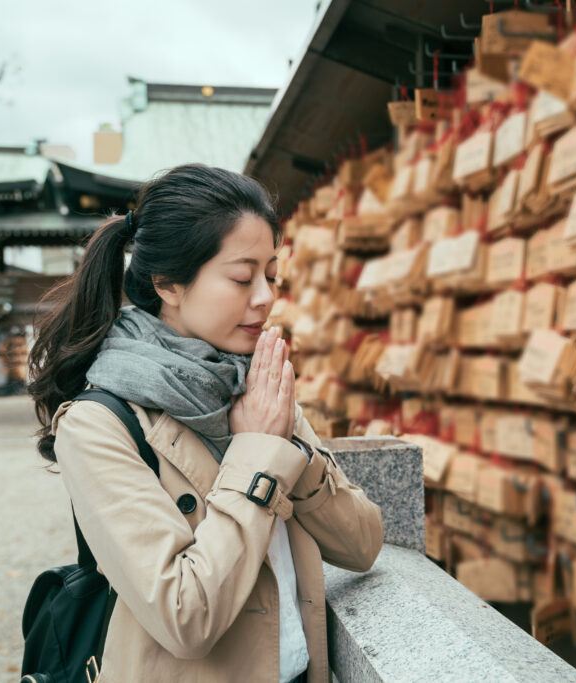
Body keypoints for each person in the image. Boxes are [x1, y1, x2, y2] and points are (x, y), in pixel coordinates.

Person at [27, 164, 384, 683]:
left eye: (272, 275)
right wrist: (259, 450)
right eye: (242, 277)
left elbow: (362, 545)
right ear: (168, 283)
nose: (265, 297)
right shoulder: (97, 425)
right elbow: (184, 617)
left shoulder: (253, 384)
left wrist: (288, 449)